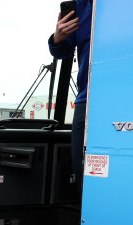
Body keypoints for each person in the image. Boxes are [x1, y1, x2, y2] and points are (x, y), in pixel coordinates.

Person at [48, 0, 91, 194]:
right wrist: (58, 38)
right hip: (87, 99)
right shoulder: (81, 6)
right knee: (84, 169)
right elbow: (63, 51)